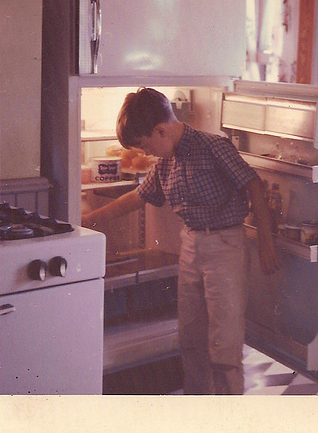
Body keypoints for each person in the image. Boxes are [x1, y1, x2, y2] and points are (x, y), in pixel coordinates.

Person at [82, 88, 280, 394]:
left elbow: (252, 184)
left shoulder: (213, 146)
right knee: (191, 340)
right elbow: (138, 197)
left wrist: (266, 244)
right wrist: (88, 222)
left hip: (225, 246)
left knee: (223, 345)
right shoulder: (166, 162)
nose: (146, 153)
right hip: (191, 246)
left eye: (145, 145)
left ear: (161, 130)